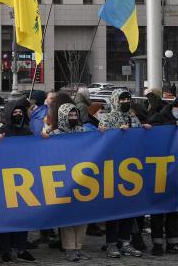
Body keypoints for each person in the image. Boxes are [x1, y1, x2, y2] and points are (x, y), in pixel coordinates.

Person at [97, 88, 149, 259]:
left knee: (129, 208)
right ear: (115, 100)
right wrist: (114, 132)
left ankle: (125, 242)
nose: (126, 102)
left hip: (132, 169)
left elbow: (139, 138)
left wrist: (145, 130)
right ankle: (112, 244)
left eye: (128, 99)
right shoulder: (107, 117)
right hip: (113, 169)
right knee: (114, 209)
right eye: (122, 99)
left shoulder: (133, 117)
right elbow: (102, 136)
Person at [41, 103, 90, 262]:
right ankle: (69, 248)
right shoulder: (55, 133)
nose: (73, 118)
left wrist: (101, 134)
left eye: (75, 115)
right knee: (68, 216)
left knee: (83, 215)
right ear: (63, 116)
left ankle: (79, 247)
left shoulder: (83, 131)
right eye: (70, 115)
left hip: (82, 178)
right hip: (64, 180)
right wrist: (45, 139)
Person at [0, 99, 36, 263]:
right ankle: (5, 250)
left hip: (24, 178)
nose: (18, 115)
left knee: (23, 217)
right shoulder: (3, 129)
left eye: (20, 112)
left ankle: (21, 249)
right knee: (7, 218)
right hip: (5, 179)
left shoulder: (27, 131)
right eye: (15, 112)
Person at [147, 97, 178, 255]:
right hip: (158, 171)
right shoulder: (161, 117)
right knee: (158, 209)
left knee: (174, 209)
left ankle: (173, 243)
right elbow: (150, 128)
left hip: (174, 173)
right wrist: (172, 126)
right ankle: (157, 244)